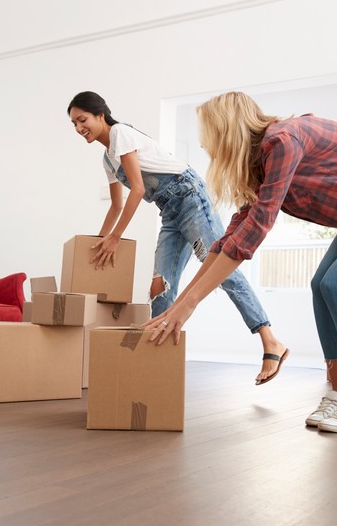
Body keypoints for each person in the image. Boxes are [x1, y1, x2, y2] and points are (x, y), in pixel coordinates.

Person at [146, 92, 337, 433]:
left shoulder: (282, 142)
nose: (204, 146)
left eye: (207, 135)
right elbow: (228, 240)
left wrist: (188, 305)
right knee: (321, 283)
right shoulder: (261, 163)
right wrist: (177, 308)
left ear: (225, 131)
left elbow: (255, 231)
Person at [67, 91, 288, 385]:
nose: (80, 128)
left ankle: (270, 340)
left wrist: (116, 238)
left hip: (189, 196)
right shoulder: (107, 160)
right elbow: (116, 205)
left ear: (100, 115)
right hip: (169, 211)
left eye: (82, 120)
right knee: (160, 287)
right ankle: (157, 368)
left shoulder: (120, 133)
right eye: (74, 124)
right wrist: (98, 241)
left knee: (220, 268)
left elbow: (138, 190)